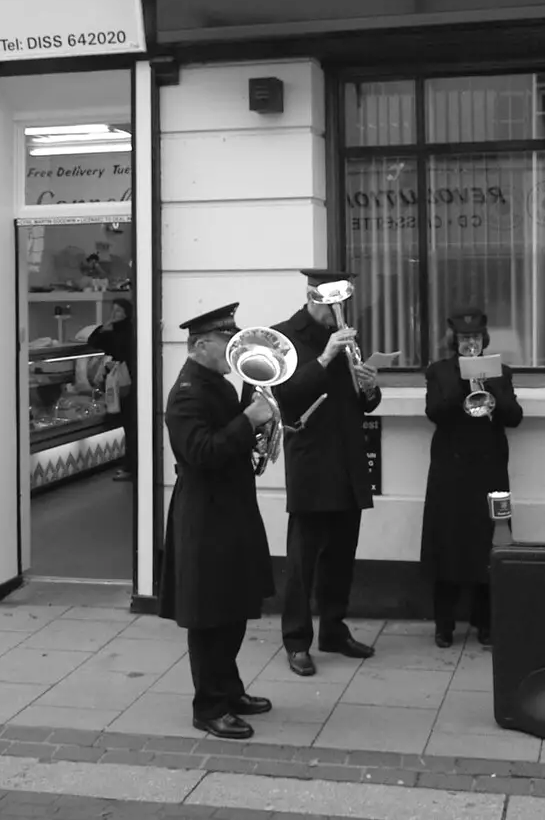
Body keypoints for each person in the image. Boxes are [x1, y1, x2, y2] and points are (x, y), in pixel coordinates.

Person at [159, 302, 277, 740]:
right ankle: (208, 706)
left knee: (233, 606)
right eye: (227, 340)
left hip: (229, 508)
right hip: (206, 514)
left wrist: (258, 411)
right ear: (200, 345)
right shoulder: (188, 392)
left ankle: (229, 689)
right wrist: (249, 419)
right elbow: (202, 453)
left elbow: (232, 438)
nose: (234, 347)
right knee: (210, 615)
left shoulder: (217, 383)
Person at [261, 268, 382, 677]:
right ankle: (296, 640)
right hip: (312, 458)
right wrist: (327, 356)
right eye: (334, 306)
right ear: (315, 301)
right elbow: (284, 396)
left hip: (348, 456)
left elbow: (363, 402)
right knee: (303, 558)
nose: (341, 313)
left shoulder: (348, 335)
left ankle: (334, 629)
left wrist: (370, 387)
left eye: (343, 305)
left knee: (342, 555)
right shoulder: (284, 336)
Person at [420, 308, 523, 648]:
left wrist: (490, 387)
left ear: (484, 340)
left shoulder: (500, 371)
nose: (470, 344)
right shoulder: (438, 372)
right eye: (464, 339)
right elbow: (435, 412)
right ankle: (444, 624)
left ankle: (486, 622)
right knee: (446, 544)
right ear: (454, 341)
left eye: (475, 339)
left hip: (489, 469)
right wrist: (464, 384)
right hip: (451, 470)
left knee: (488, 543)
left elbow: (515, 418)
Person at [88, 299, 136, 480]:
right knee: (130, 425)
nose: (114, 314)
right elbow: (93, 341)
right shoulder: (123, 329)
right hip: (125, 382)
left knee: (130, 426)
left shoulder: (123, 331)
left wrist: (106, 328)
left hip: (125, 383)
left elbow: (98, 342)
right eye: (113, 310)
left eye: (118, 311)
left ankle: (131, 466)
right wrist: (105, 327)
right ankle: (131, 465)